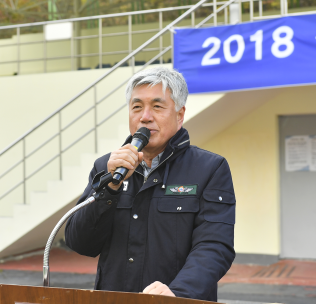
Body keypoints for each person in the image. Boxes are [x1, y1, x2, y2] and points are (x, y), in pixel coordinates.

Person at [65, 67, 235, 301]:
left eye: (157, 106)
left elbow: (214, 246)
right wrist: (109, 188)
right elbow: (80, 243)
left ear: (179, 114)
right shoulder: (106, 168)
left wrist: (177, 293)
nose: (145, 116)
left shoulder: (209, 168)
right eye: (137, 107)